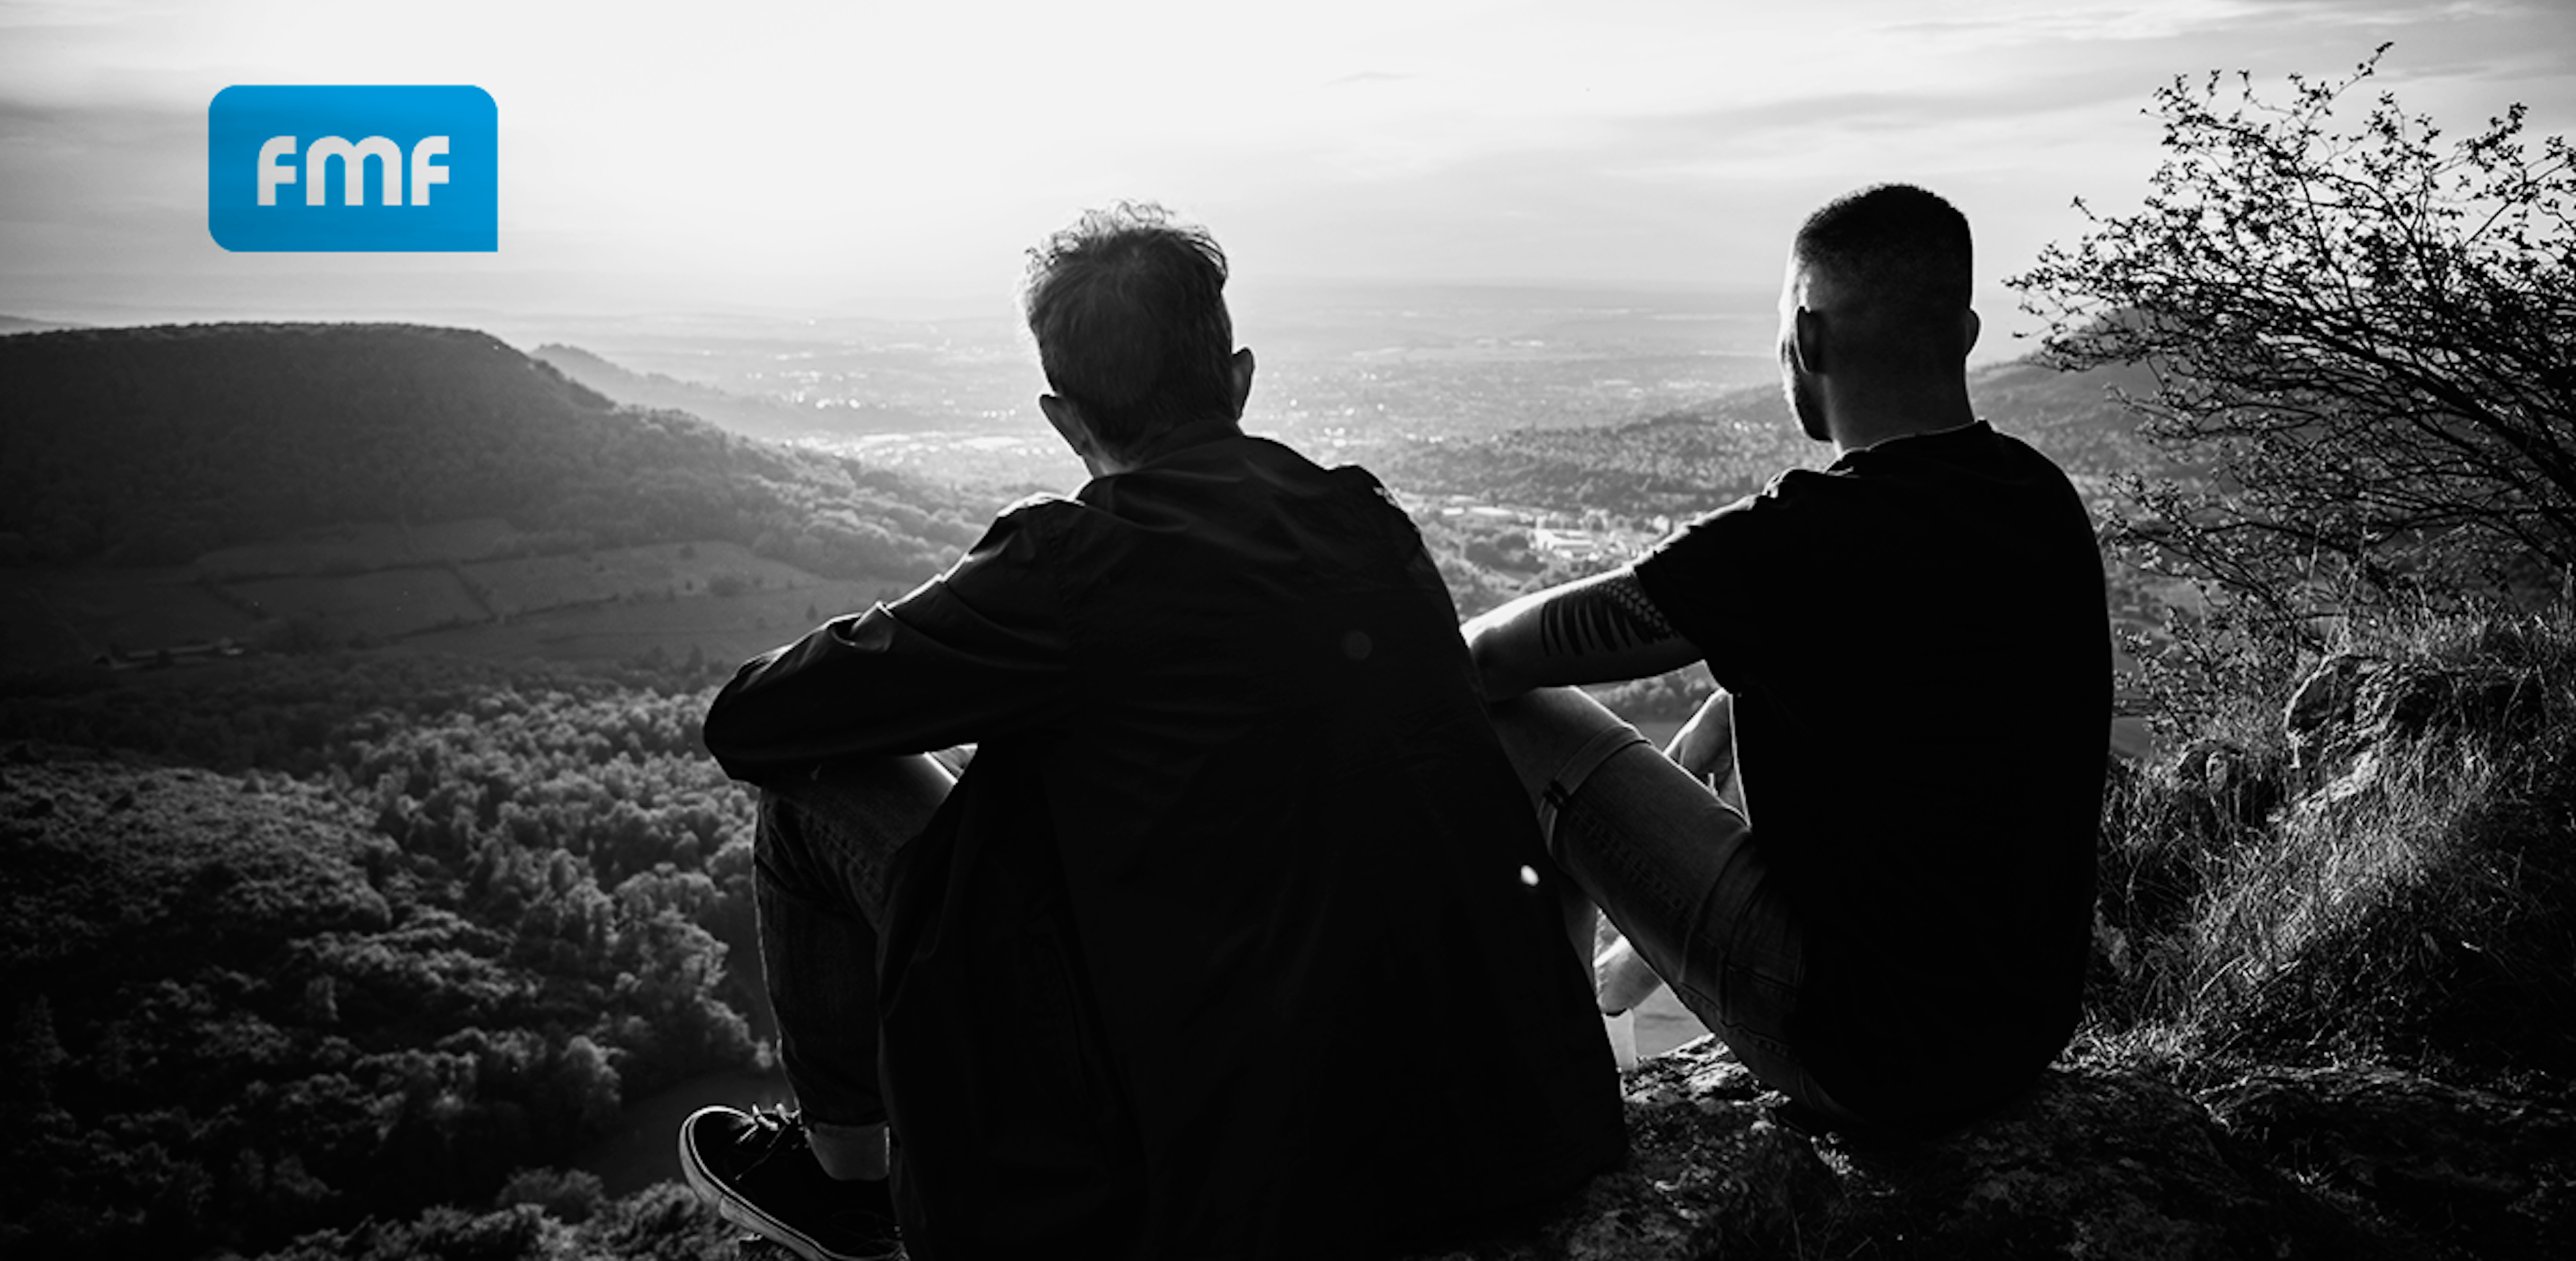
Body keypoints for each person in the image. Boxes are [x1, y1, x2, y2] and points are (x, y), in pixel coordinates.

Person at [683, 203, 1625, 1261]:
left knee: (810, 787)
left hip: (1255, 1184)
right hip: (1518, 1125)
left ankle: (846, 1179)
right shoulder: (1369, 521)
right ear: (1240, 379)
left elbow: (751, 721)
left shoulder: (1068, 565)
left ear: (1063, 419)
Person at [1462, 183, 2110, 1138]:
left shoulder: (1800, 538)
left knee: (1520, 718)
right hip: (2019, 1034)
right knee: (1744, 703)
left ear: (1806, 337)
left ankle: (1557, 1081)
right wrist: (1731, 703)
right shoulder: (2038, 498)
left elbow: (1490, 656)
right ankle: (1613, 993)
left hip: (1863, 1052)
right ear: (1966, 334)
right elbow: (1911, 682)